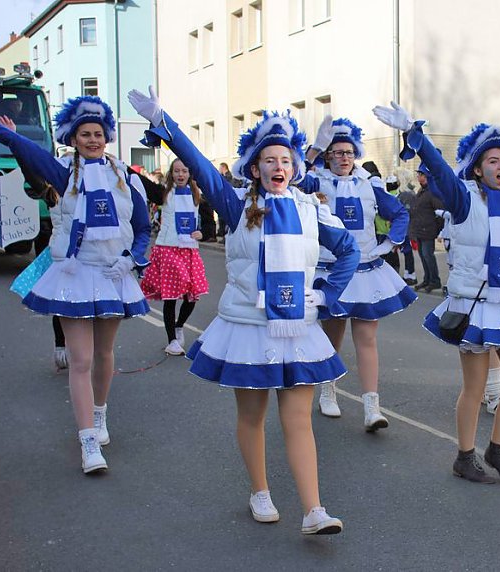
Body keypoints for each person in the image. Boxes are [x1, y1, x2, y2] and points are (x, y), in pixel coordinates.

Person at [129, 86, 358, 534]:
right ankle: (260, 490)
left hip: (296, 328)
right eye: (270, 160)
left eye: (287, 160)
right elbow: (196, 164)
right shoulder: (237, 205)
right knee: (252, 417)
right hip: (249, 329)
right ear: (254, 168)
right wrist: (164, 123)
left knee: (297, 420)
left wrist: (328, 295)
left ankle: (314, 509)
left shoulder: (310, 208)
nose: (280, 167)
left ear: (295, 168)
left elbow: (349, 250)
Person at [374, 102, 500, 486]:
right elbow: (438, 167)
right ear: (477, 168)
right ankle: (465, 456)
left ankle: (498, 448)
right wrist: (416, 136)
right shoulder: (464, 197)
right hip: (474, 305)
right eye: (492, 160)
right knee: (474, 388)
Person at [0, 96, 152, 473]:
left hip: (113, 275)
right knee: (81, 359)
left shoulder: (125, 176)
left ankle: (99, 414)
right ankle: (88, 442)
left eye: (98, 134)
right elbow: (23, 148)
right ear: (73, 138)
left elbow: (142, 229)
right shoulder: (63, 173)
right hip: (77, 274)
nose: (93, 140)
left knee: (106, 354)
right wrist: (0, 130)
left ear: (107, 137)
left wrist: (132, 258)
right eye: (85, 134)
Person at [299, 116, 416, 430]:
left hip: (365, 270)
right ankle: (328, 389)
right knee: (331, 337)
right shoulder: (316, 180)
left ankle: (371, 408)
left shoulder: (370, 183)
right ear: (328, 156)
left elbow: (399, 212)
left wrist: (390, 243)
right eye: (336, 152)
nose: (343, 158)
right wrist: (312, 150)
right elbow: (292, 178)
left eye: (348, 152)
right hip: (332, 270)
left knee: (367, 339)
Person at [0, 115, 69, 370]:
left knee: (84, 305)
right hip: (59, 256)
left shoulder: (87, 189)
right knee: (59, 302)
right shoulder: (51, 193)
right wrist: (14, 139)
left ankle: (85, 350)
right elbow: (30, 165)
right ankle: (61, 344)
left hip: (85, 256)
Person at [140, 159, 210, 355]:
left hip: (189, 251)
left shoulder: (198, 196)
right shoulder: (164, 194)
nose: (180, 175)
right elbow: (143, 184)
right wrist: (120, 167)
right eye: (177, 171)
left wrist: (202, 233)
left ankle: (179, 325)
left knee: (192, 296)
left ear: (190, 174)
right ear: (171, 174)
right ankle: (172, 341)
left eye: (184, 171)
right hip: (168, 249)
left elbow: (207, 223)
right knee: (170, 298)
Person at [409, 162, 446, 293]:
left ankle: (434, 281)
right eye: (418, 175)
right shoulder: (421, 191)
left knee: (428, 255)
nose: (419, 177)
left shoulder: (432, 192)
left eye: (422, 175)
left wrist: (440, 230)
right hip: (419, 230)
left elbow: (440, 212)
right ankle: (427, 279)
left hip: (428, 230)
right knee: (423, 256)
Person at [216, 162, 233, 238]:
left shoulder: (229, 176)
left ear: (223, 168)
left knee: (225, 218)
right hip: (221, 198)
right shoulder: (222, 176)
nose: (219, 170)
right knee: (221, 217)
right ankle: (221, 232)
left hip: (226, 199)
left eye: (220, 168)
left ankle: (224, 234)